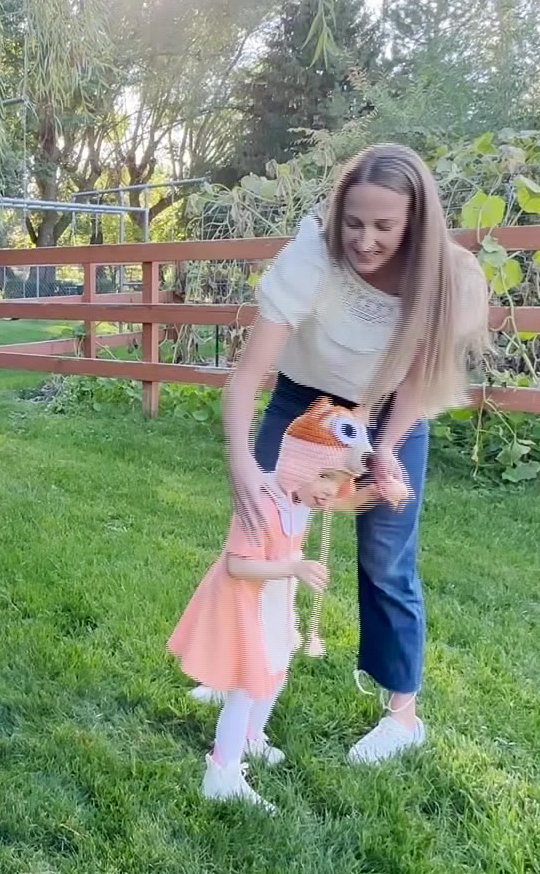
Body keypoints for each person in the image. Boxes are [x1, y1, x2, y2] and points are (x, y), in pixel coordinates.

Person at [212, 143, 490, 766]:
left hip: (390, 408)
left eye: (384, 226)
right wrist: (240, 459)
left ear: (416, 222)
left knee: (387, 559)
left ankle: (402, 716)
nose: (365, 240)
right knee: (263, 539)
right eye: (353, 222)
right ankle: (239, 676)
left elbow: (421, 379)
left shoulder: (451, 278)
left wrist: (385, 447)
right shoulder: (312, 258)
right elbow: (246, 378)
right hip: (302, 399)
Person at [170, 397, 380, 807]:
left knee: (277, 666)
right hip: (243, 599)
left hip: (271, 601)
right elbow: (237, 567)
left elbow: (342, 501)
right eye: (326, 478)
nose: (331, 492)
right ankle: (221, 773)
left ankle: (251, 737)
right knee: (247, 684)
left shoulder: (301, 496)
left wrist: (376, 492)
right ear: (301, 466)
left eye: (337, 481)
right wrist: (293, 569)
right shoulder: (261, 501)